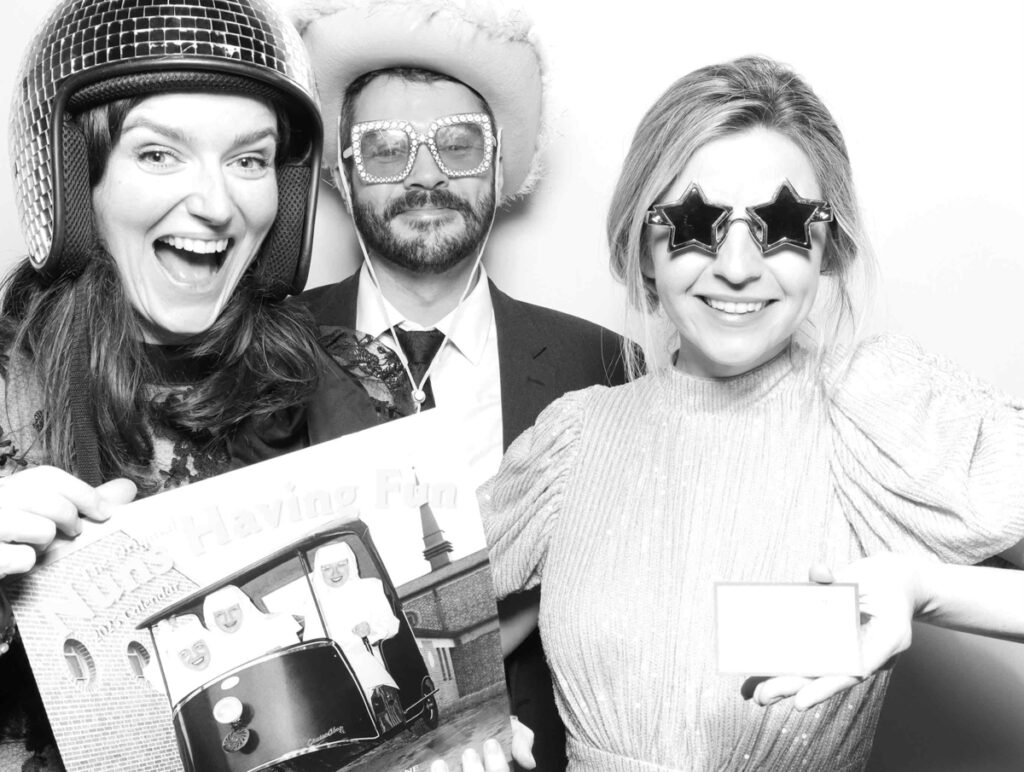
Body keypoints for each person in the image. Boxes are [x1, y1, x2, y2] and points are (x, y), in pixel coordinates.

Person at [481, 56, 1024, 771]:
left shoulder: (870, 409)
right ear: (644, 248)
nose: (738, 265)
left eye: (784, 223)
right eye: (696, 223)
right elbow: (443, 644)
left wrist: (926, 590)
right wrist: (464, 729)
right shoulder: (573, 440)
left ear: (826, 249)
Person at [0, 0, 404, 767]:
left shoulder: (357, 384)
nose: (218, 205)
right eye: (159, 155)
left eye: (250, 160)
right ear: (73, 175)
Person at [293, 3, 628, 767]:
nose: (423, 176)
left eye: (456, 145)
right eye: (384, 149)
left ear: (498, 166)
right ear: (344, 170)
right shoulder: (261, 355)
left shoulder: (607, 369)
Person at [311, 541, 404, 728]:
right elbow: (311, 642)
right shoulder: (314, 603)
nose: (335, 573)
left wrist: (370, 629)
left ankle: (383, 715)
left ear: (350, 564)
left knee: (360, 662)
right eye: (327, 568)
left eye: (341, 565)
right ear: (320, 572)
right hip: (335, 663)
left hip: (372, 650)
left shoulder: (370, 588)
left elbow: (392, 624)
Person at [201, 585, 300, 677]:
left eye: (233, 609)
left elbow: (298, 663)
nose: (229, 618)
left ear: (243, 607)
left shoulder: (277, 624)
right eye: (220, 614)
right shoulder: (214, 651)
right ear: (211, 619)